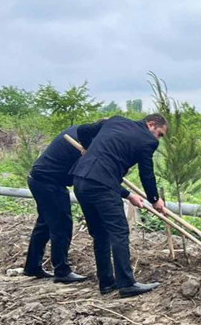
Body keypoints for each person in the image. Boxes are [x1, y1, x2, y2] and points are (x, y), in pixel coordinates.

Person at [69, 114, 167, 298]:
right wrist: (154, 199)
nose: (158, 139)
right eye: (160, 134)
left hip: (81, 179)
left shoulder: (115, 120)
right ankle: (127, 284)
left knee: (100, 234)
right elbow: (147, 173)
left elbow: (82, 130)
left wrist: (88, 149)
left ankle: (106, 283)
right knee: (119, 231)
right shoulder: (148, 141)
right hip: (103, 185)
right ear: (151, 124)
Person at [23, 119, 108, 283]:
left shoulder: (81, 134)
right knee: (62, 224)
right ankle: (62, 271)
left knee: (45, 224)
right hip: (48, 182)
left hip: (39, 179)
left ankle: (32, 266)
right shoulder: (79, 142)